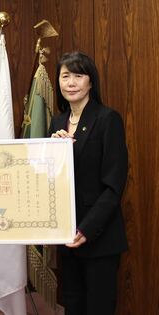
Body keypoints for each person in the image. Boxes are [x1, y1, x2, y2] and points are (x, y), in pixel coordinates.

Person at [49, 52, 128, 315]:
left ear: (91, 82)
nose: (71, 82)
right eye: (65, 76)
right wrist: (52, 150)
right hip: (67, 234)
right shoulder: (57, 122)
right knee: (72, 306)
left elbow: (114, 184)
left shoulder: (108, 119)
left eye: (78, 75)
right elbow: (49, 177)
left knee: (98, 308)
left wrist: (86, 228)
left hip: (98, 236)